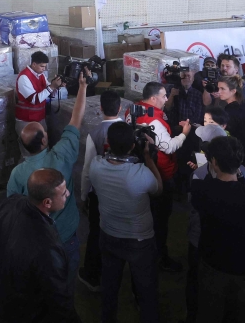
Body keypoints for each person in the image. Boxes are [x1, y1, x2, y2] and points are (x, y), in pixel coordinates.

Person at [7, 69, 89, 291]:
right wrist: (82, 87)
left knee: (42, 288)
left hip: (35, 242)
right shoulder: (61, 155)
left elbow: (13, 209)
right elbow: (76, 119)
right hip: (66, 237)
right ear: (44, 141)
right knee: (66, 286)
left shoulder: (18, 174)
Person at [0, 168, 81, 323]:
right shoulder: (47, 248)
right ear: (47, 202)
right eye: (63, 193)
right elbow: (59, 299)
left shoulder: (10, 203)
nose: (67, 194)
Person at [89, 121, 162, 323]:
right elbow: (158, 188)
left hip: (109, 234)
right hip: (139, 240)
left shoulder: (95, 166)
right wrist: (147, 157)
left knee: (109, 287)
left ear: (107, 142)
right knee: (146, 290)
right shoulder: (140, 173)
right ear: (132, 146)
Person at [190, 136, 245, 323]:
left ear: (213, 161)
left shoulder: (201, 190)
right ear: (240, 162)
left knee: (210, 312)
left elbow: (210, 184)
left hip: (213, 264)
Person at [135, 81, 191, 272]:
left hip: (142, 170)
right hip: (161, 173)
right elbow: (168, 146)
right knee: (160, 220)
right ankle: (160, 257)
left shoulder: (135, 109)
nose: (166, 98)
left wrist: (172, 129)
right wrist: (183, 134)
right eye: (163, 95)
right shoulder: (154, 120)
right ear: (153, 98)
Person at [78, 90, 124, 292]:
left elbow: (87, 169)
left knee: (96, 232)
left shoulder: (94, 133)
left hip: (99, 193)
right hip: (124, 191)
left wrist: (84, 194)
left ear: (100, 109)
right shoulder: (127, 130)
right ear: (121, 108)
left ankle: (92, 275)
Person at [15, 51, 65, 157]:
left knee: (42, 151)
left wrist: (57, 86)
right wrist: (52, 87)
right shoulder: (24, 77)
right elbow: (35, 99)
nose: (44, 69)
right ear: (34, 64)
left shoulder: (40, 75)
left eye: (45, 66)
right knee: (28, 155)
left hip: (39, 118)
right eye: (42, 66)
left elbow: (48, 92)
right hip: (26, 121)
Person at [205, 76, 245, 169]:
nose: (219, 92)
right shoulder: (242, 104)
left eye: (223, 89)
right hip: (242, 152)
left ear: (233, 91)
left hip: (233, 155)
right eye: (218, 88)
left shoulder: (231, 111)